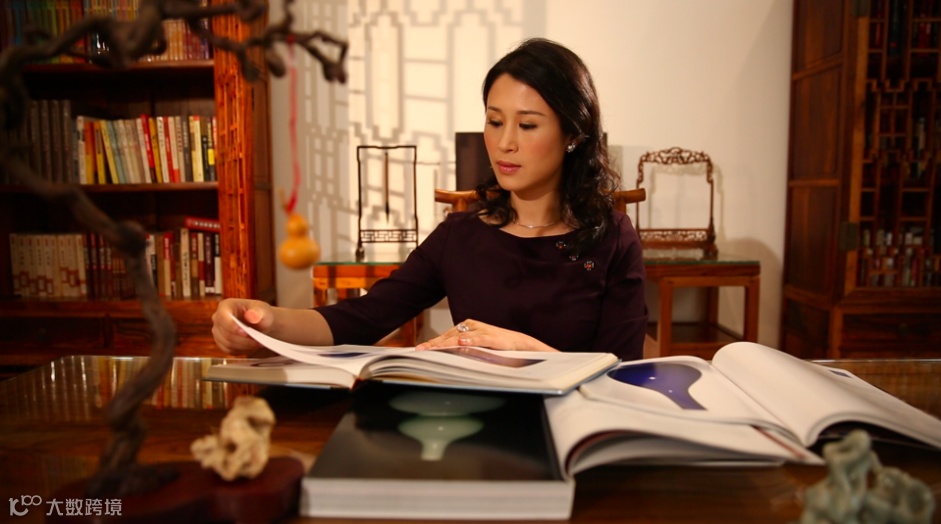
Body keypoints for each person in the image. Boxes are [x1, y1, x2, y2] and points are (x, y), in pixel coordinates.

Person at [212, 38, 647, 360]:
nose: (504, 143)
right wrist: (268, 322)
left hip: (574, 436)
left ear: (573, 134)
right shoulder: (461, 236)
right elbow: (360, 318)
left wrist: (525, 350)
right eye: (495, 122)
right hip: (473, 429)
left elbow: (622, 374)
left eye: (528, 125)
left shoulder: (612, 238)